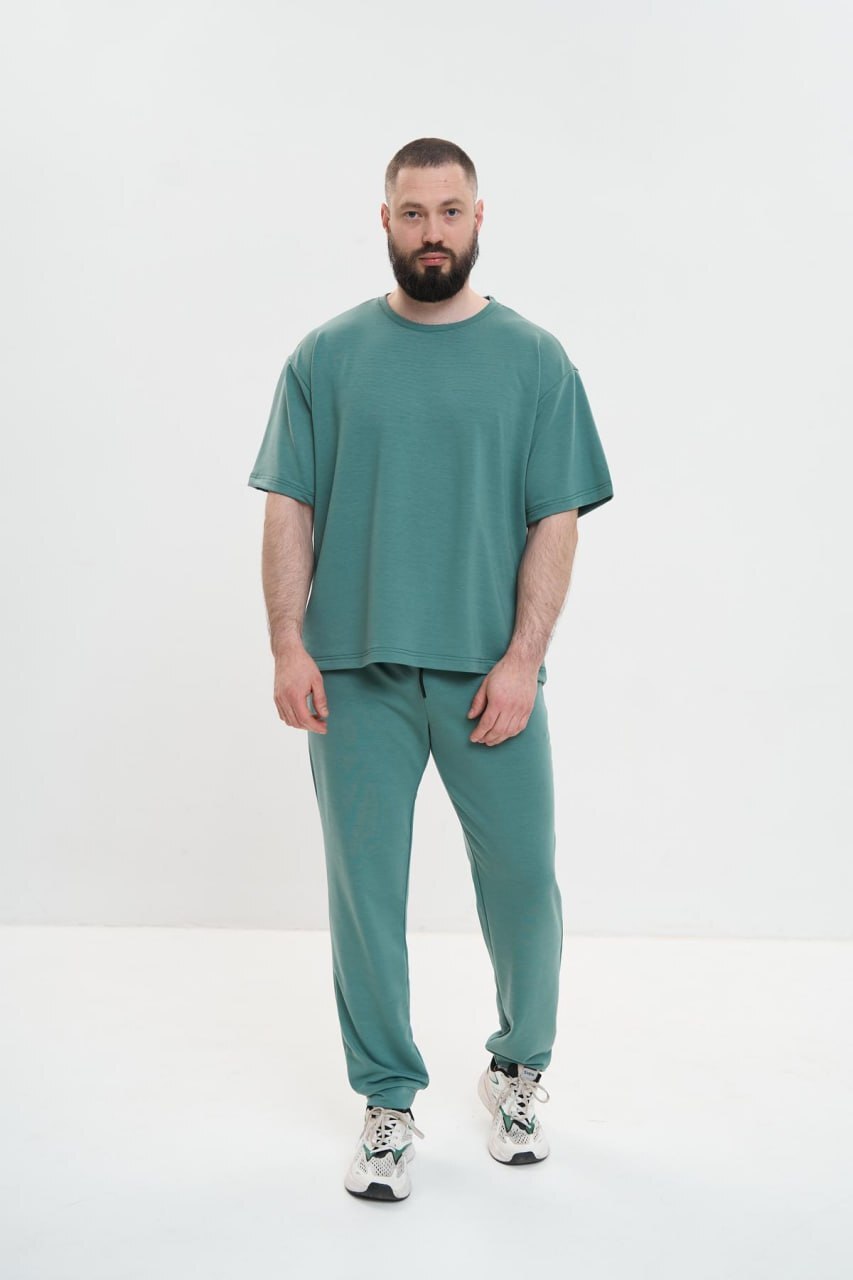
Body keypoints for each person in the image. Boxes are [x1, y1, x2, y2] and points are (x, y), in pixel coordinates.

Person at [247, 137, 614, 1202]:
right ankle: (386, 1101)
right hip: (351, 673)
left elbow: (556, 518)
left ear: (478, 217)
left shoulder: (534, 359)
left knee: (524, 885)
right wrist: (286, 643)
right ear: (385, 221)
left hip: (487, 676)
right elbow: (288, 506)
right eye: (413, 213)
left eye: (450, 211)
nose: (432, 231)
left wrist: (522, 659)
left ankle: (518, 1068)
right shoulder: (325, 357)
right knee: (365, 895)